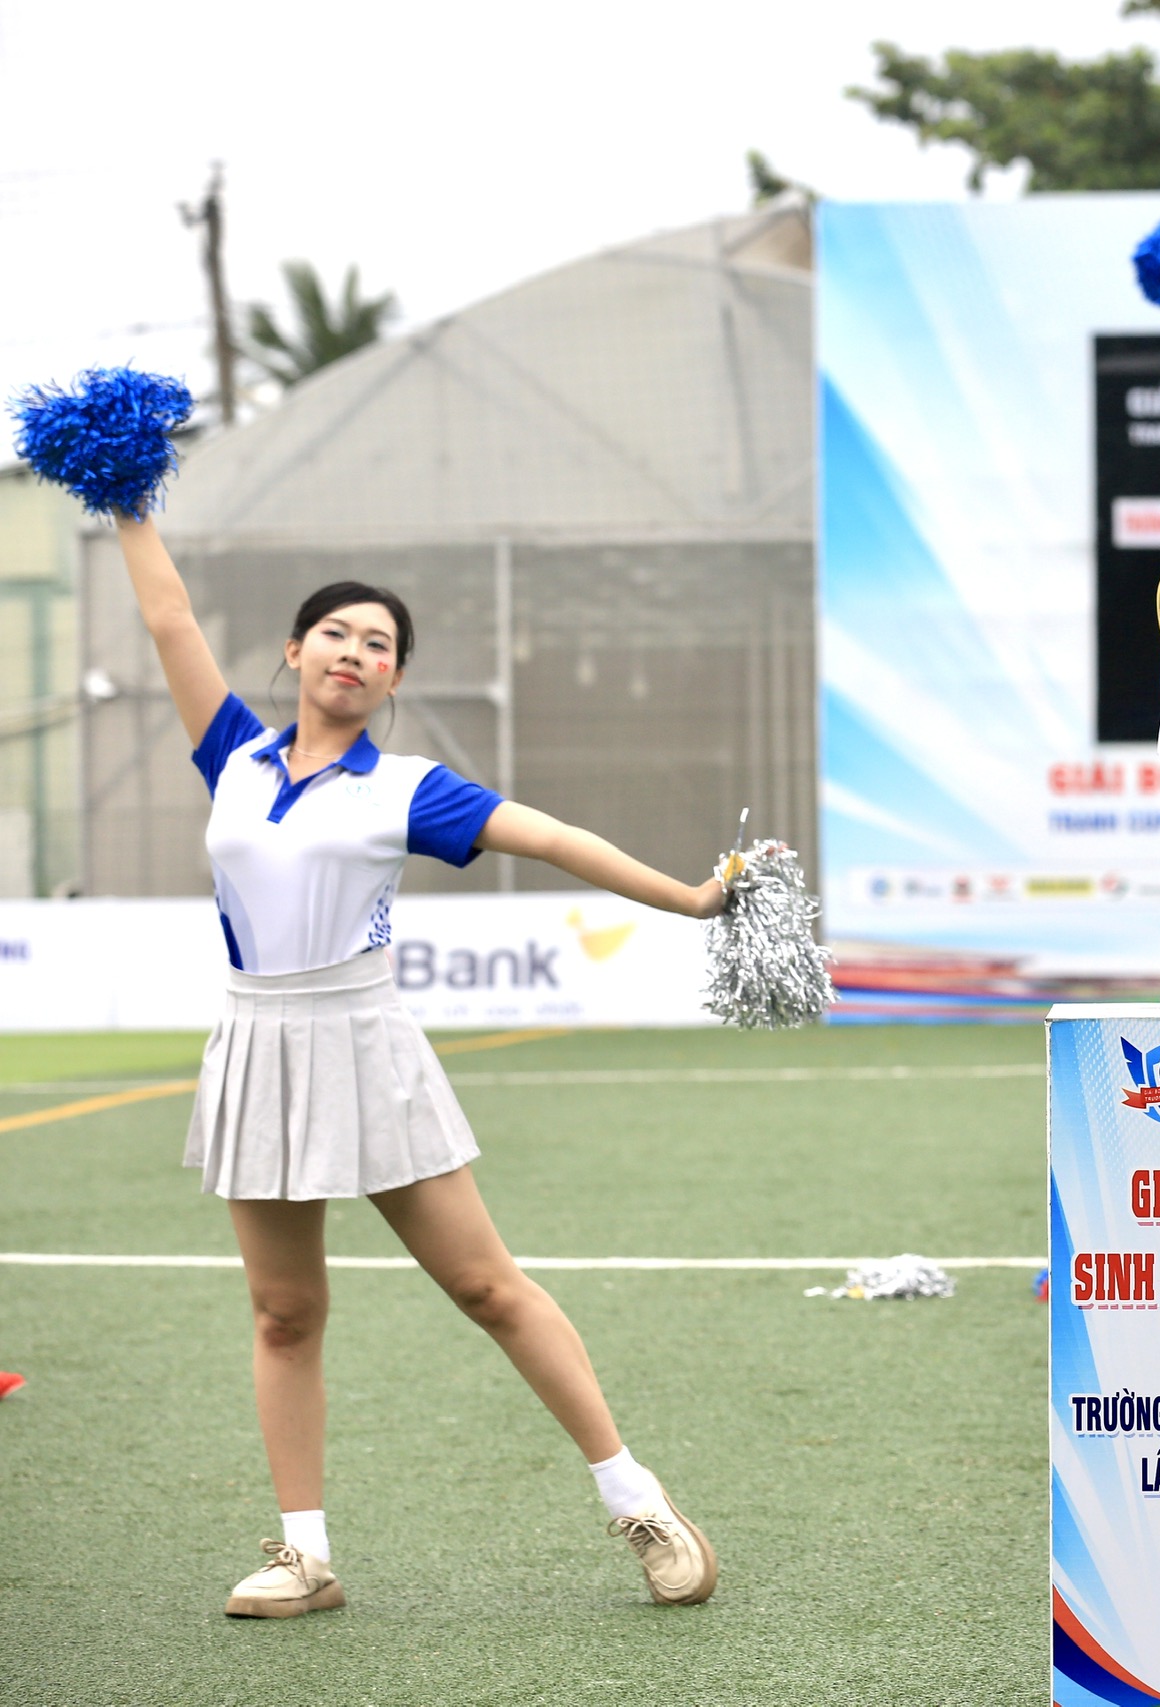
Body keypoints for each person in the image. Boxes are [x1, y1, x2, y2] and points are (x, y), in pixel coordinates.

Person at [112, 513, 725, 1619]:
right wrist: (126, 497)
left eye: (379, 644)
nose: (354, 651)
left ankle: (637, 1502)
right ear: (292, 655)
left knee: (487, 1287)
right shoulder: (231, 754)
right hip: (254, 1043)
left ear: (392, 681)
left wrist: (687, 899)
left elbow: (547, 836)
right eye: (334, 633)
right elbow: (166, 614)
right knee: (284, 1314)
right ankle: (305, 1556)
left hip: (364, 1041)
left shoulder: (407, 788)